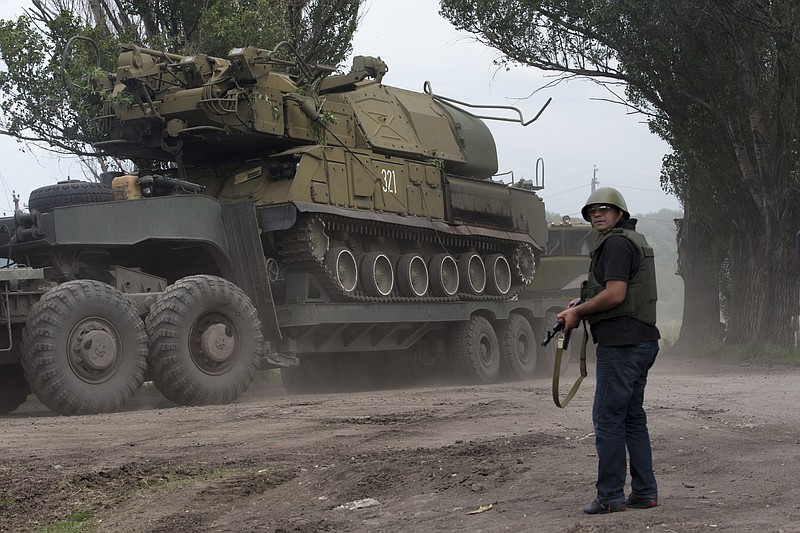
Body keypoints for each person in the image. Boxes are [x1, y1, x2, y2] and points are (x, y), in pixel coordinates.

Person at [557, 187, 660, 515]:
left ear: (619, 213)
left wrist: (577, 313)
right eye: (592, 211)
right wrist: (583, 302)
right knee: (632, 419)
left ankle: (609, 496)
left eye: (604, 209)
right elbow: (619, 290)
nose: (597, 214)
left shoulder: (614, 243)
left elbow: (616, 295)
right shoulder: (631, 240)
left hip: (622, 344)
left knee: (608, 419)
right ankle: (644, 492)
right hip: (641, 339)